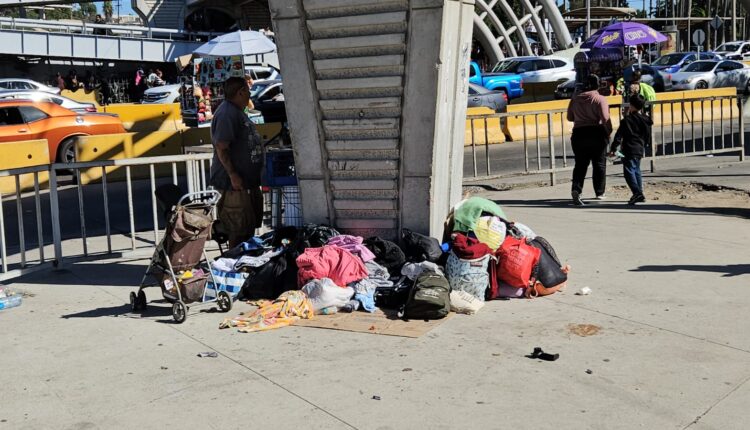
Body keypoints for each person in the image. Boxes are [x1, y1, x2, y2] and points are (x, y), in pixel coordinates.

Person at [210, 77, 264, 248]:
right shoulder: (227, 113)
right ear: (240, 92)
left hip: (246, 182)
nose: (249, 94)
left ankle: (244, 262)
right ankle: (233, 264)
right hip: (234, 184)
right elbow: (221, 147)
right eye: (248, 90)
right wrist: (233, 175)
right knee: (237, 227)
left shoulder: (237, 111)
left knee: (247, 225)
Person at [566, 74, 612, 206]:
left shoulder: (574, 99)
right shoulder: (600, 99)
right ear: (598, 85)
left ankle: (576, 189)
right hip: (596, 132)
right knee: (599, 163)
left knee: (580, 165)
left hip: (579, 134)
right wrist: (608, 133)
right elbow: (605, 118)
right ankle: (599, 192)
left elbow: (570, 117)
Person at [610, 94, 652, 205]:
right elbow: (647, 135)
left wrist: (613, 148)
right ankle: (640, 192)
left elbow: (618, 136)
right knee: (636, 170)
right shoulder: (645, 119)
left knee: (628, 171)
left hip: (628, 148)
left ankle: (636, 192)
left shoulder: (626, 121)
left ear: (631, 105)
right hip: (639, 148)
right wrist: (646, 144)